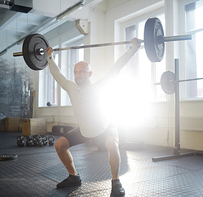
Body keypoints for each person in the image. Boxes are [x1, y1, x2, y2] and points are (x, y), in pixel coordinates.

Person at [46, 38, 141, 196]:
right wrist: (50, 57)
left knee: (112, 144)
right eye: (76, 71)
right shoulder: (71, 87)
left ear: (89, 73)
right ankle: (73, 177)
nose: (78, 74)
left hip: (104, 126)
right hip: (85, 129)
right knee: (59, 145)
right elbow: (57, 73)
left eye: (82, 71)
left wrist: (133, 48)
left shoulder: (99, 86)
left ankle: (116, 182)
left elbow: (116, 68)